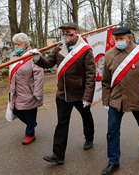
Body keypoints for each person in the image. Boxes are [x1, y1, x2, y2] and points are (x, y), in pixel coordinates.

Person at [32, 22, 96, 164]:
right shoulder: (58, 48)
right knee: (62, 123)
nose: (65, 35)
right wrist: (38, 59)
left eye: (68, 32)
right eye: (63, 33)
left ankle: (89, 137)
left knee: (86, 117)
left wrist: (88, 97)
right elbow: (48, 63)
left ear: (75, 33)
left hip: (80, 94)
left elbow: (91, 75)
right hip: (63, 94)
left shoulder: (85, 50)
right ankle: (58, 154)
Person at [101, 27, 139, 175]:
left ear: (129, 38)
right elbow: (106, 81)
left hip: (137, 97)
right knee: (112, 131)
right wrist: (106, 101)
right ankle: (113, 161)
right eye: (116, 39)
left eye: (121, 38)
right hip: (116, 100)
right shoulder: (109, 55)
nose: (118, 41)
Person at [9, 33, 44, 145]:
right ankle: (31, 124)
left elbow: (39, 74)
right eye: (15, 44)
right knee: (16, 111)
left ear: (25, 45)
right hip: (16, 90)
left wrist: (37, 91)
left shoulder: (33, 55)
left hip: (29, 90)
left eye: (18, 44)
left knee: (30, 113)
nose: (16, 46)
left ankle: (30, 133)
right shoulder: (12, 55)